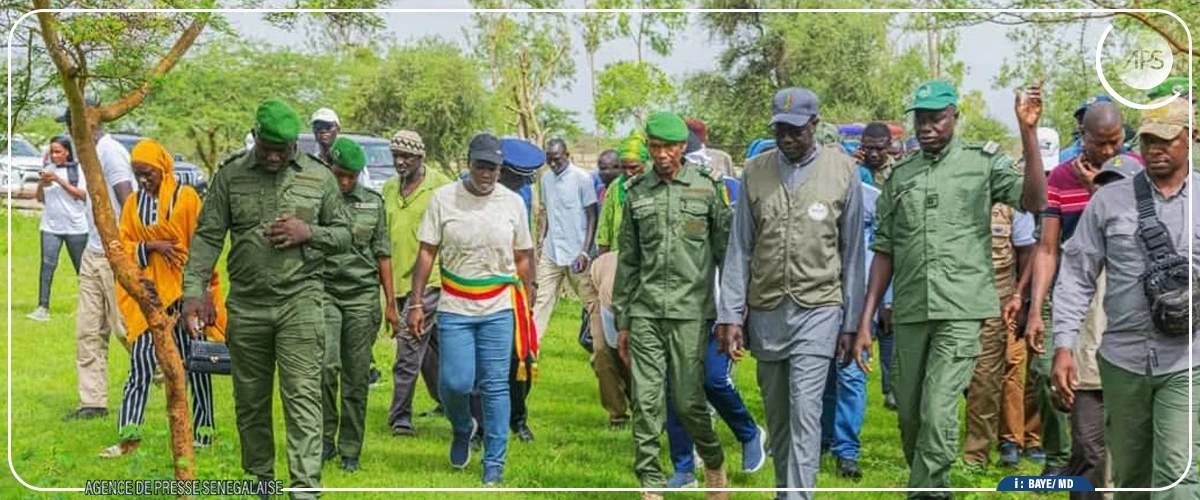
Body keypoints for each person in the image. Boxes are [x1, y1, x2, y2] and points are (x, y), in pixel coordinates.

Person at [852, 80, 1047, 497]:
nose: (927, 127)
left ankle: (928, 492)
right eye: (920, 119)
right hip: (909, 311)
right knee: (909, 415)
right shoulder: (901, 176)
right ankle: (927, 482)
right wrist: (865, 319)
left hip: (960, 311)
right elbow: (883, 249)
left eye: (936, 118)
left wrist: (1028, 134)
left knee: (938, 410)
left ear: (954, 116)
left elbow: (1034, 199)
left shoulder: (983, 163)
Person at [181, 99, 353, 498]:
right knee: (251, 400)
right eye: (268, 148)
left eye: (284, 149)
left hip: (301, 302)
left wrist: (308, 233)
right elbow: (208, 235)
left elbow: (345, 235)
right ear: (255, 137)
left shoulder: (318, 176)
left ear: (296, 145)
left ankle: (305, 487)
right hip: (248, 305)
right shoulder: (230, 175)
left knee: (303, 396)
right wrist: (194, 291)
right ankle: (261, 481)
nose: (275, 156)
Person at [716, 88, 864, 499]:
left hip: (819, 309)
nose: (787, 138)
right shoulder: (755, 171)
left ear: (814, 125)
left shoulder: (843, 171)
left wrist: (852, 324)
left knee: (805, 411)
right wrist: (729, 315)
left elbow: (852, 255)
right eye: (780, 130)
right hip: (766, 313)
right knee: (779, 417)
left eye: (796, 130)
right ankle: (787, 492)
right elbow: (740, 248)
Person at [1051, 97, 1199, 497]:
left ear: (1192, 139)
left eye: (1167, 140)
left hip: (1187, 361)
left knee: (1178, 472)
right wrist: (1063, 345)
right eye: (1149, 139)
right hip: (1123, 361)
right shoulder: (1109, 201)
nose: (1156, 148)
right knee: (1131, 478)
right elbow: (1076, 276)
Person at [614, 111, 732, 500]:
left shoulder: (707, 189)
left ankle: (713, 460)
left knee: (687, 400)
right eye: (655, 147)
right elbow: (628, 261)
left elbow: (727, 256)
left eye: (669, 147)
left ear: (683, 147)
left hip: (691, 314)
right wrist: (624, 320)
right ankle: (650, 483)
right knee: (646, 402)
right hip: (646, 312)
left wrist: (732, 315)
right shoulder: (636, 192)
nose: (662, 154)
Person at [408, 132, 536, 486]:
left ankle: (495, 461)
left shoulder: (512, 202)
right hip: (455, 306)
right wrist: (416, 302)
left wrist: (529, 295)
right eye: (481, 165)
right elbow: (426, 253)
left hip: (498, 307)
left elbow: (524, 256)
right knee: (454, 382)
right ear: (469, 163)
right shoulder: (443, 199)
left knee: (496, 385)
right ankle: (463, 427)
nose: (487, 173)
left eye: (493, 167)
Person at [100, 139, 226, 457]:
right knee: (140, 366)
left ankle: (204, 433)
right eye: (138, 174)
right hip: (148, 298)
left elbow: (202, 246)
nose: (143, 180)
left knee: (195, 364)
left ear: (163, 167)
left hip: (185, 296)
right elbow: (121, 246)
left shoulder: (186, 198)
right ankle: (129, 437)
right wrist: (151, 247)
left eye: (148, 174)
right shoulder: (132, 205)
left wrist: (205, 292)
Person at [1024, 101, 1131, 476]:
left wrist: (1100, 194)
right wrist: (1036, 309)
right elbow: (1048, 248)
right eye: (1098, 142)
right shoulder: (1062, 179)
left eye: (1114, 141)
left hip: (1126, 297)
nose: (1107, 151)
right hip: (1078, 294)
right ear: (1081, 137)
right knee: (1068, 393)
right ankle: (1065, 458)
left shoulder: (1137, 170)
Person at [664, 172, 766, 490]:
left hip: (722, 319)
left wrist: (738, 318)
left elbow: (742, 273)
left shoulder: (735, 227)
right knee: (675, 390)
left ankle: (749, 432)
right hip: (683, 316)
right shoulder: (687, 226)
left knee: (714, 379)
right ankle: (683, 469)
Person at [319, 137, 394, 472]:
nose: (345, 182)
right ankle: (323, 440)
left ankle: (350, 449)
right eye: (339, 175)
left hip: (362, 296)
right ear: (330, 169)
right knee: (324, 368)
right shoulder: (317, 201)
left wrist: (391, 302)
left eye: (350, 176)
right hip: (326, 292)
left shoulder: (373, 203)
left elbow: (383, 254)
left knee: (356, 375)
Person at [467, 137, 546, 447]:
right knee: (479, 363)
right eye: (518, 176)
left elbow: (525, 247)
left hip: (513, 289)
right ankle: (479, 428)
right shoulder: (467, 191)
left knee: (520, 356)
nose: (524, 182)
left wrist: (533, 284)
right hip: (476, 288)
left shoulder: (521, 195)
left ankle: (518, 419)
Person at [62, 103, 136, 421]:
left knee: (126, 328)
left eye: (72, 128)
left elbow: (128, 199)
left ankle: (170, 374)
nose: (69, 135)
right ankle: (92, 402)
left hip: (115, 253)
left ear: (88, 125)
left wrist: (128, 250)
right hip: (93, 253)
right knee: (88, 330)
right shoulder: (89, 153)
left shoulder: (111, 152)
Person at [961, 204, 1035, 472]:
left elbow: (1028, 250)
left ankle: (976, 455)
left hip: (999, 300)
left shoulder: (1012, 203)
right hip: (953, 296)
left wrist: (1021, 298)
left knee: (988, 378)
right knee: (956, 376)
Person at [386, 130, 450, 436]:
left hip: (429, 283)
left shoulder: (440, 188)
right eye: (396, 156)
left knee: (409, 348)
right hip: (397, 280)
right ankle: (447, 402)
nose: (400, 162)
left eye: (407, 157)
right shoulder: (387, 189)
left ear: (420, 157)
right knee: (431, 351)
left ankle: (400, 417)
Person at [531, 138, 599, 348]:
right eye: (549, 160)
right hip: (552, 253)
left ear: (567, 156)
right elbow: (549, 213)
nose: (553, 164)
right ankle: (529, 353)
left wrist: (585, 252)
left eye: (557, 160)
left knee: (591, 303)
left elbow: (592, 216)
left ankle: (605, 348)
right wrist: (542, 244)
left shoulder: (582, 179)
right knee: (540, 302)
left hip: (577, 253)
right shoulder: (546, 180)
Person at [853, 121, 897, 410]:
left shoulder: (897, 174)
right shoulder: (854, 169)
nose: (872, 154)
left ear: (889, 147)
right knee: (863, 322)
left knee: (890, 325)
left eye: (878, 149)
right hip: (862, 257)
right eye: (867, 148)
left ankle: (892, 387)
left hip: (891, 255)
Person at [29, 136, 88, 322]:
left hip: (76, 227)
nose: (54, 155)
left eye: (58, 151)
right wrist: (41, 184)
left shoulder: (78, 170)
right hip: (50, 226)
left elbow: (82, 195)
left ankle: (88, 308)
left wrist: (59, 181)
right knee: (47, 266)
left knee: (83, 269)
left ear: (67, 152)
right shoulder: (48, 169)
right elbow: (40, 198)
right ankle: (42, 307)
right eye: (51, 151)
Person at [310, 107, 370, 188]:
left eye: (328, 126)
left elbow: (365, 191)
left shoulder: (351, 161)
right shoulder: (311, 163)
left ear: (338, 129)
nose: (323, 130)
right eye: (317, 126)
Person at [1058, 95, 1114, 163]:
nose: (1085, 124)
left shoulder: (1124, 157)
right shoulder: (1065, 157)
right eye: (1081, 119)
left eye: (1094, 118)